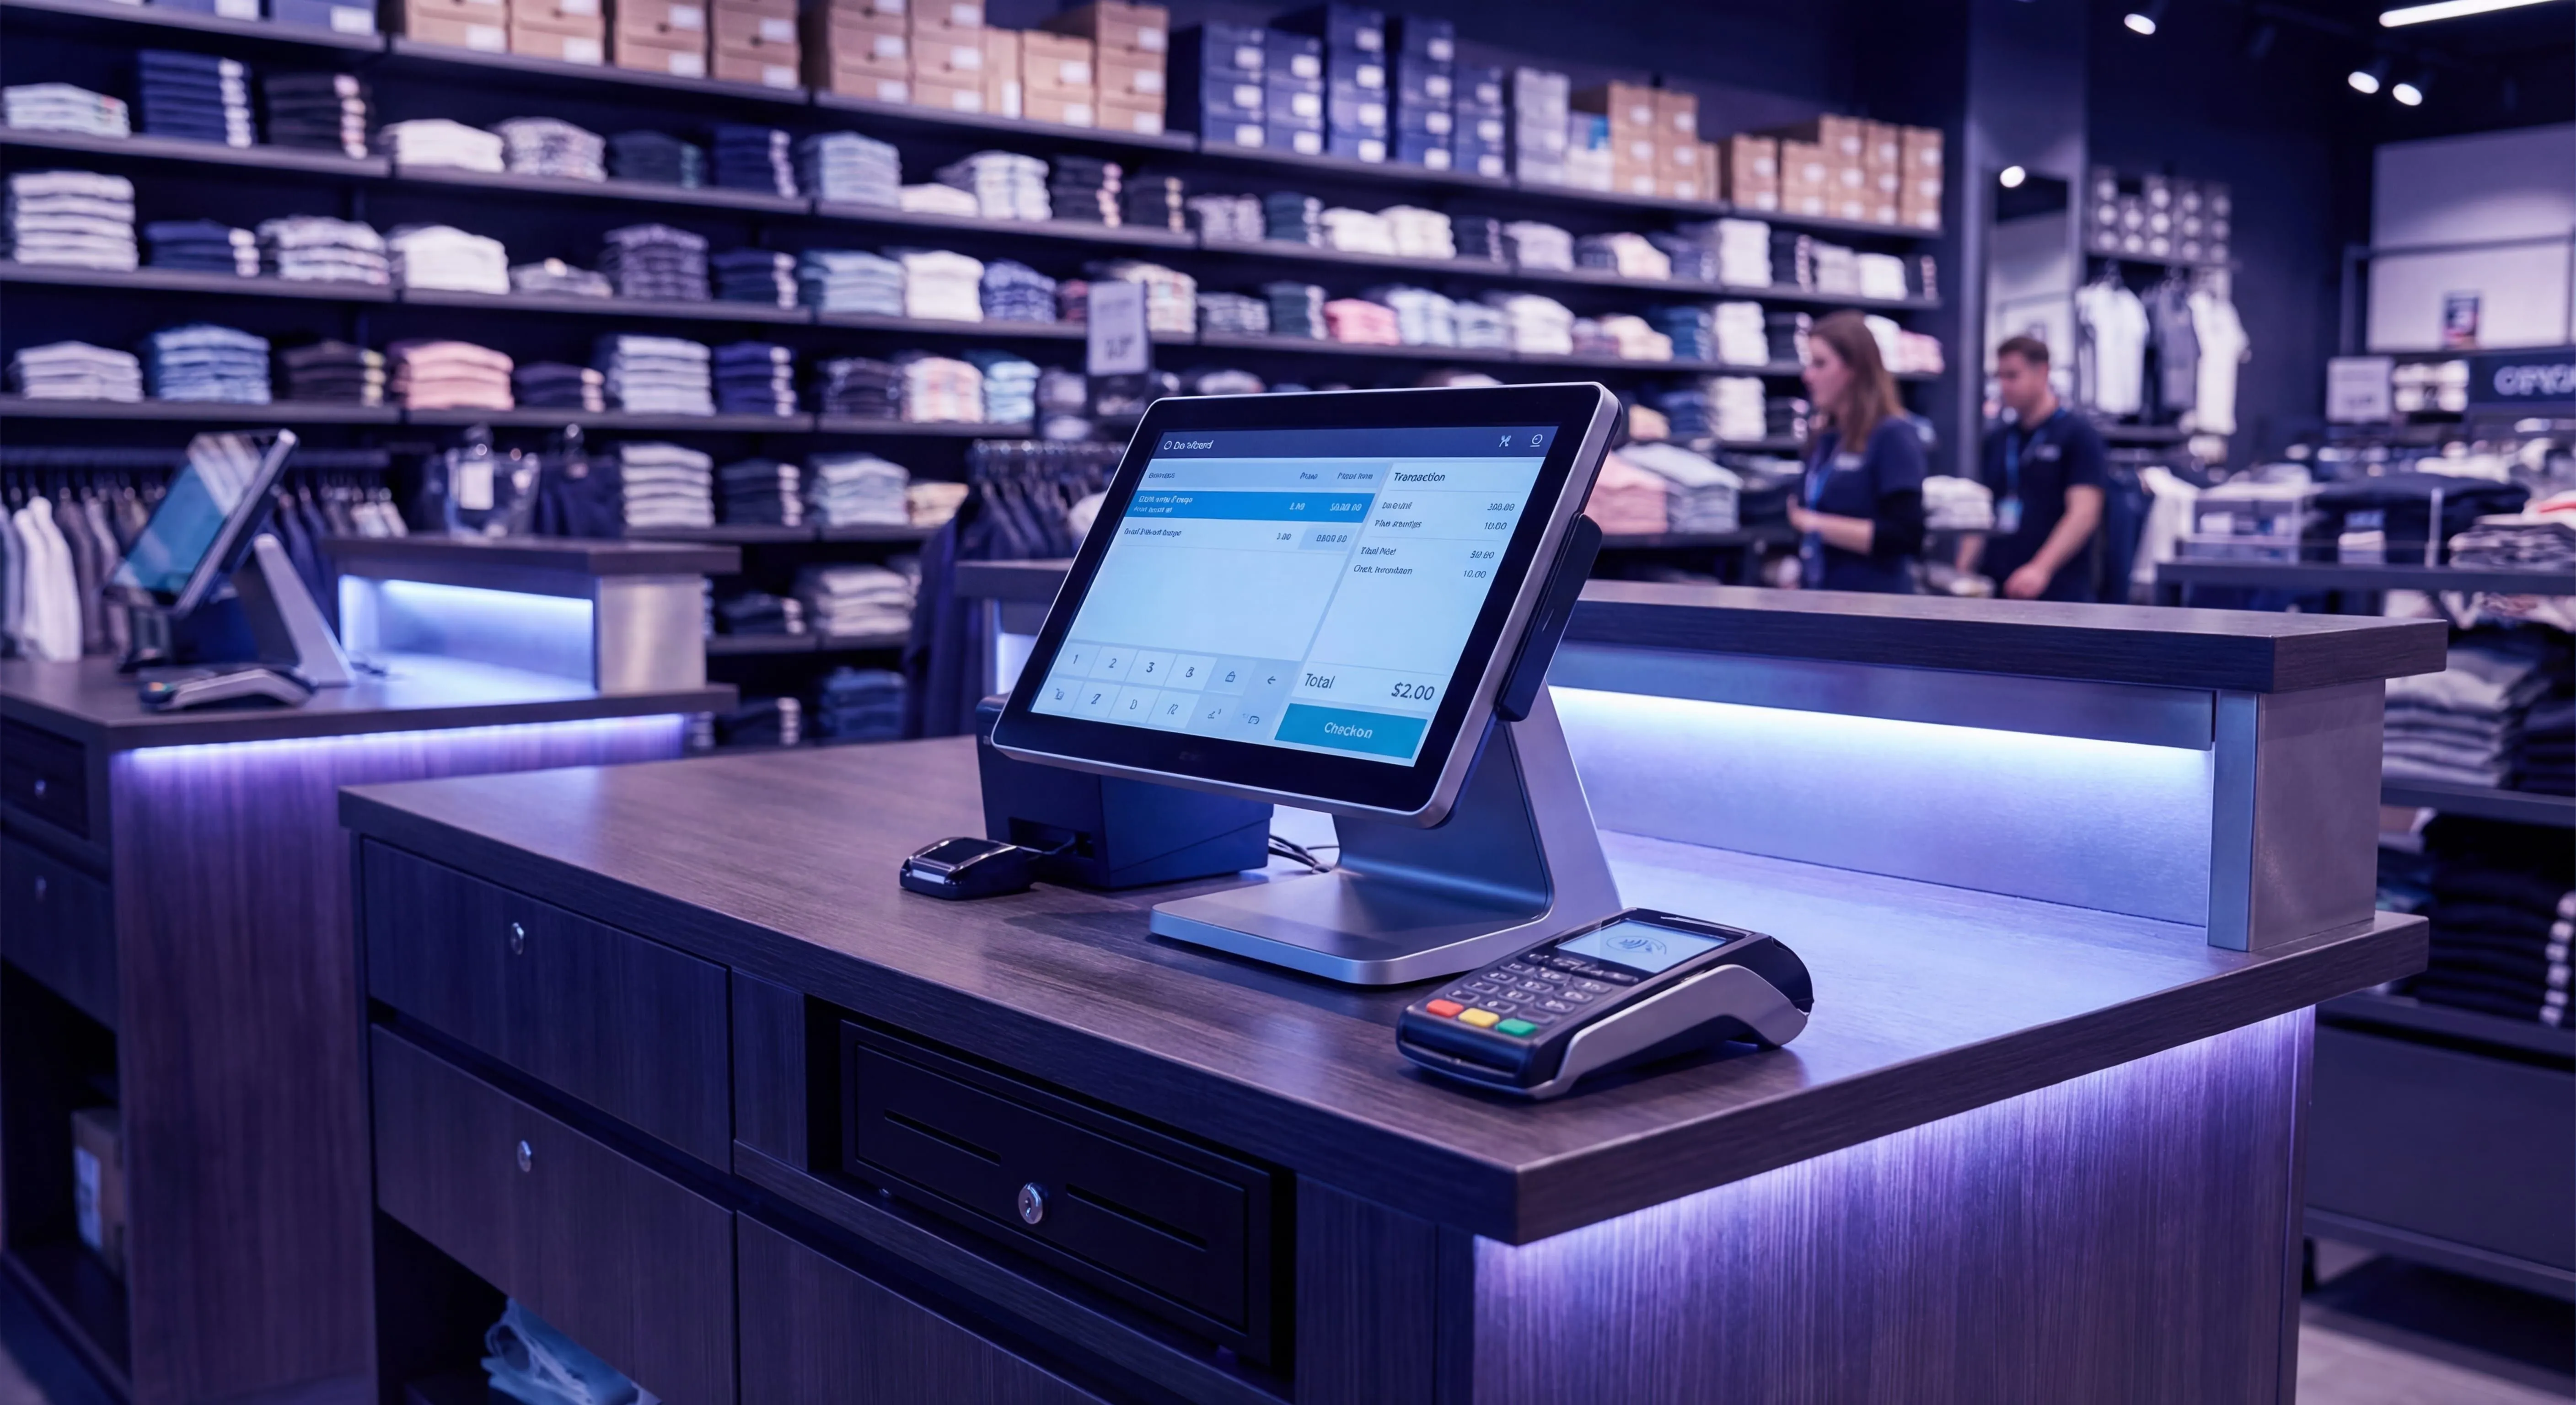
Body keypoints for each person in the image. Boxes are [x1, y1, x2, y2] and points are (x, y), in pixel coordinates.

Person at [1789, 310, 1926, 593]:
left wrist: (1812, 524)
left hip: (1875, 611)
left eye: (1820, 364)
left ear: (1854, 369)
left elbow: (1906, 536)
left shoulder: (1893, 435)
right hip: (1822, 599)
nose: (1808, 376)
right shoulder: (1826, 438)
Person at [1963, 335, 2107, 601]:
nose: (2004, 386)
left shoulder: (2079, 435)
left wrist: (2041, 569)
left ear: (2043, 372)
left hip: (2058, 591)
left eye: (2012, 376)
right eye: (2000, 377)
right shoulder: (1999, 438)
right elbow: (1981, 512)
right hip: (1998, 588)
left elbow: (2085, 513)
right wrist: (1962, 574)